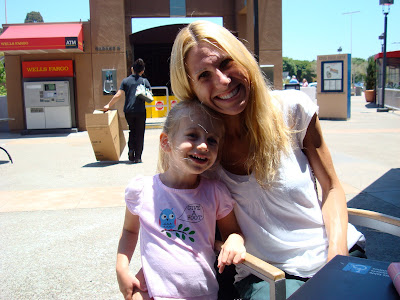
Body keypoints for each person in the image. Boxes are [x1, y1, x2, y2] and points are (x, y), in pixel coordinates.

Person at [169, 20, 365, 299]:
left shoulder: (293, 110)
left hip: (333, 253)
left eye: (226, 63)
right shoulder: (200, 150)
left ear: (243, 59)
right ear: (191, 89)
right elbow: (171, 206)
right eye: (204, 75)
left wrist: (337, 256)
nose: (223, 81)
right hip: (265, 274)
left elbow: (332, 188)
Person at [116, 100, 246, 300]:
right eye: (192, 136)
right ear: (166, 142)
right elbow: (129, 230)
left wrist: (236, 240)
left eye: (212, 140)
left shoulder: (216, 192)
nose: (203, 145)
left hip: (204, 293)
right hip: (152, 292)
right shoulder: (142, 190)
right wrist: (122, 268)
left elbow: (232, 232)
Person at [103, 58, 151, 163]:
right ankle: (137, 156)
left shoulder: (126, 81)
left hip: (128, 111)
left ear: (132, 69)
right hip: (140, 111)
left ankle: (131, 149)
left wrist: (108, 105)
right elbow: (149, 98)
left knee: (132, 130)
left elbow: (118, 95)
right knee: (139, 133)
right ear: (142, 71)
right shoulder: (144, 81)